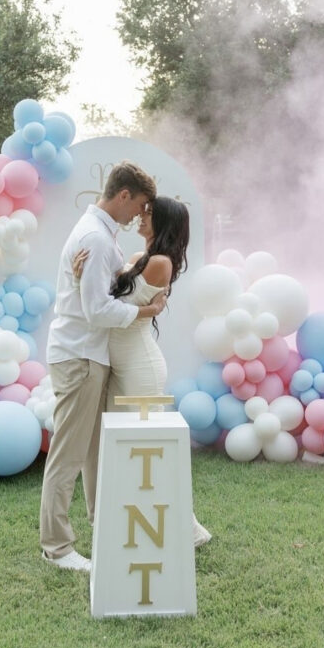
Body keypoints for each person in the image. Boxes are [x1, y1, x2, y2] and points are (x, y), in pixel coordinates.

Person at [39, 161, 167, 573]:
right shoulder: (94, 238)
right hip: (79, 355)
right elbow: (96, 310)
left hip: (89, 355)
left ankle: (101, 526)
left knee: (94, 451)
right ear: (124, 195)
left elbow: (95, 296)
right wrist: (146, 311)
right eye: (139, 205)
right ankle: (57, 547)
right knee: (69, 454)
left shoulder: (100, 236)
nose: (140, 215)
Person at [72, 195, 212, 549]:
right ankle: (124, 520)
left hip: (139, 366)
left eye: (148, 214)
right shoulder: (139, 259)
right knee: (119, 447)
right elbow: (105, 297)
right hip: (120, 365)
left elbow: (112, 303)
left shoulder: (159, 263)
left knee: (147, 447)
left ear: (163, 222)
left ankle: (189, 529)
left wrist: (90, 281)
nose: (140, 217)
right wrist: (82, 277)